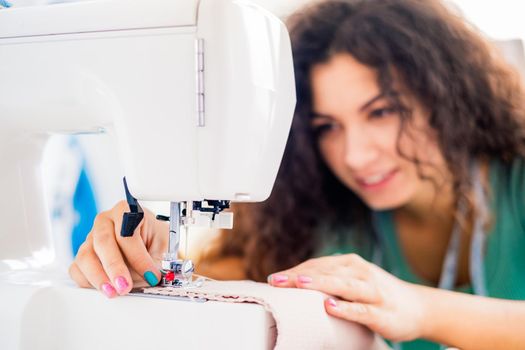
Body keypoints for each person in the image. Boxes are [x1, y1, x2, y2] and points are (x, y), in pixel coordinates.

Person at [69, 0, 525, 349]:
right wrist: (137, 252)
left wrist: (420, 308)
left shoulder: (517, 180)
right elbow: (207, 284)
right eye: (326, 127)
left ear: (447, 94)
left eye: (383, 112)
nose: (356, 155)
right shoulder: (323, 215)